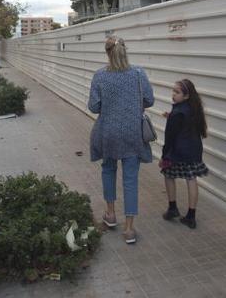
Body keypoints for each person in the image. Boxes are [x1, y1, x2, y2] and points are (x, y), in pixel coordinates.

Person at [88, 35, 154, 244]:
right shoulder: (138, 74)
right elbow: (149, 100)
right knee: (130, 179)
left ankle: (110, 214)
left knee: (108, 170)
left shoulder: (99, 76)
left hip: (108, 133)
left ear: (107, 53)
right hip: (133, 134)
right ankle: (129, 229)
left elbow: (94, 107)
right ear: (125, 50)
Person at [160, 78, 209, 229]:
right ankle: (191, 216)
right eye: (173, 91)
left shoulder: (178, 112)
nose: (173, 94)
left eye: (177, 92)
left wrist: (164, 155)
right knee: (191, 178)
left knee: (168, 175)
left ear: (186, 96)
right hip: (193, 150)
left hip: (178, 152)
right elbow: (185, 123)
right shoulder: (193, 108)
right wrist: (171, 116)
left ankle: (172, 208)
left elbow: (170, 137)